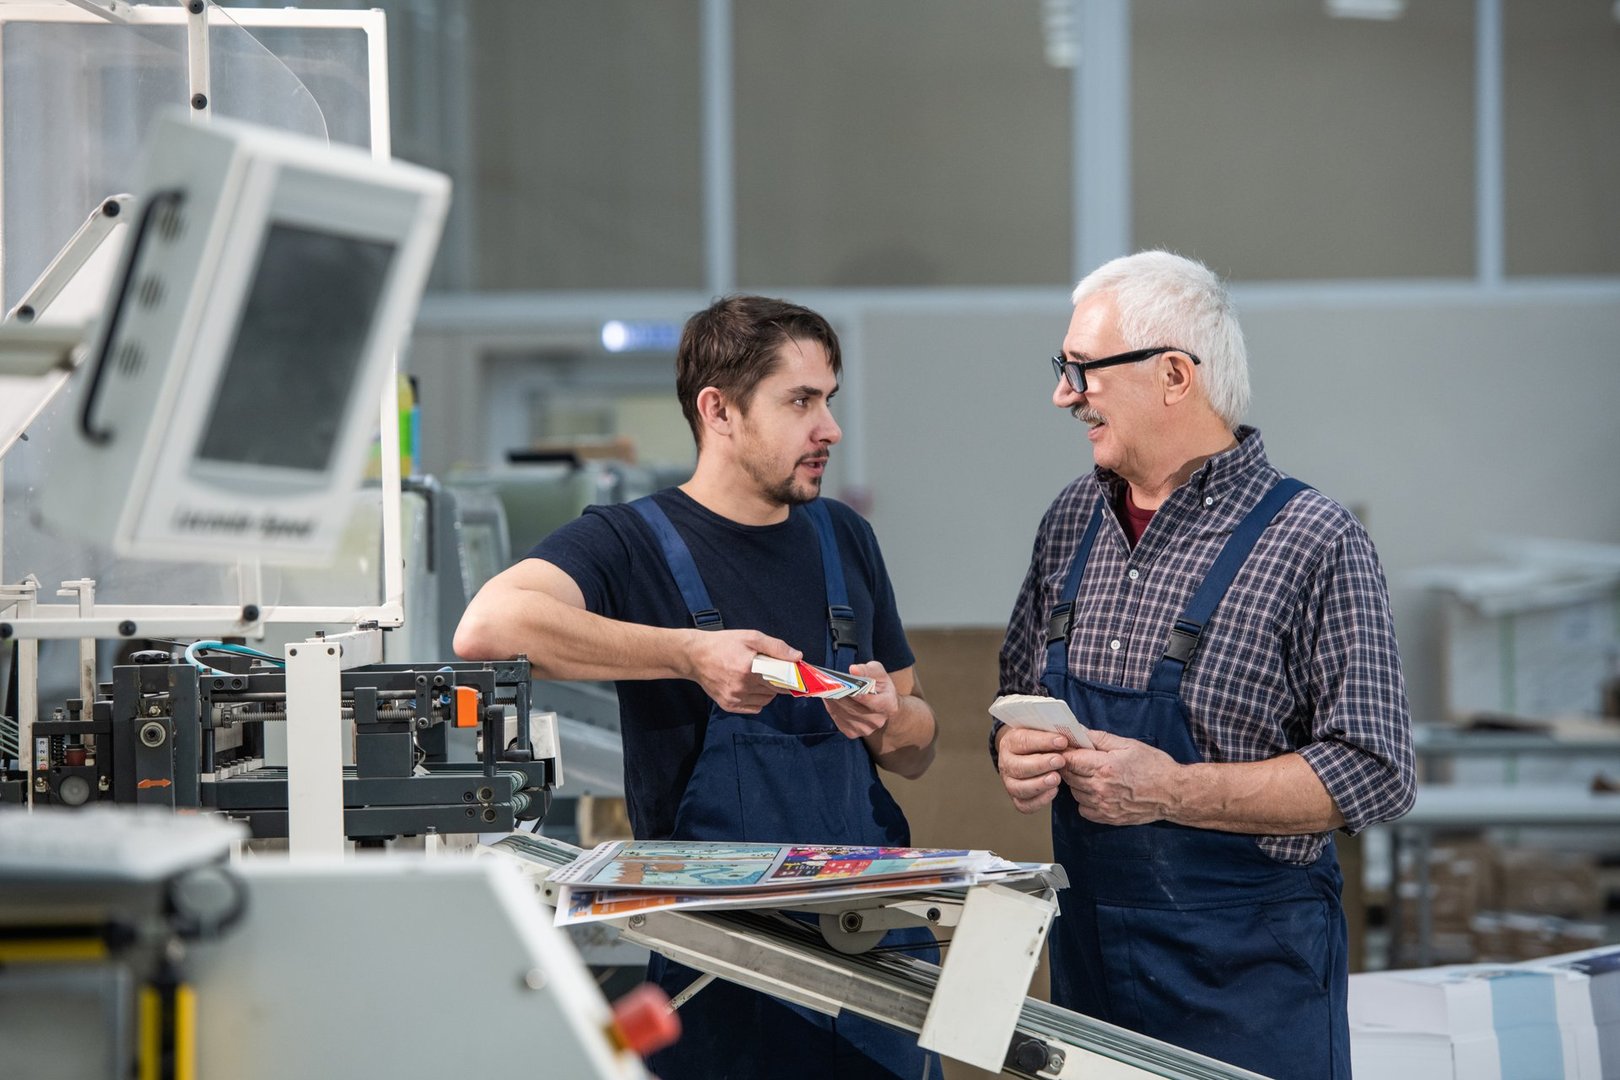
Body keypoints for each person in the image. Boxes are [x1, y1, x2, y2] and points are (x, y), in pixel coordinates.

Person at [455, 295, 941, 1080]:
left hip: (872, 971)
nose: (831, 429)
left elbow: (917, 748)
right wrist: (689, 654)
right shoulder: (628, 543)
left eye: (830, 401)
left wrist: (890, 717)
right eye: (801, 401)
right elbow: (489, 626)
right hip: (722, 979)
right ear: (717, 410)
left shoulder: (844, 538)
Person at [992, 251, 1415, 1080]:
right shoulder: (1071, 520)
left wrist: (1175, 790)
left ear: (1175, 374)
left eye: (1082, 370)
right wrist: (1014, 752)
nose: (1063, 394)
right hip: (1091, 974)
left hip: (1250, 987)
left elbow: (1375, 773)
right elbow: (1015, 693)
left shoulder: (1315, 541)